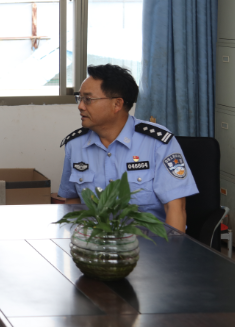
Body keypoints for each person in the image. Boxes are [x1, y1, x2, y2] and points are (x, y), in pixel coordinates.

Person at [58, 64, 199, 231]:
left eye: (88, 99)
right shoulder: (75, 145)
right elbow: (72, 201)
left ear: (117, 104)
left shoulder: (157, 142)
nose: (80, 106)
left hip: (149, 242)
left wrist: (170, 248)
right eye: (79, 98)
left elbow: (175, 208)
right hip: (96, 242)